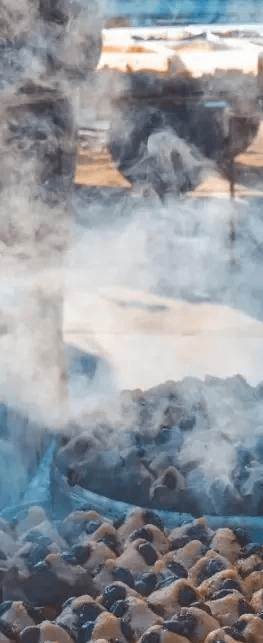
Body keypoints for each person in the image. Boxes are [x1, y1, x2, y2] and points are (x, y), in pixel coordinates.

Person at [0, 0, 102, 416]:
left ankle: (38, 415)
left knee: (36, 287)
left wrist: (13, 71)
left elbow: (82, 53)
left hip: (38, 145)